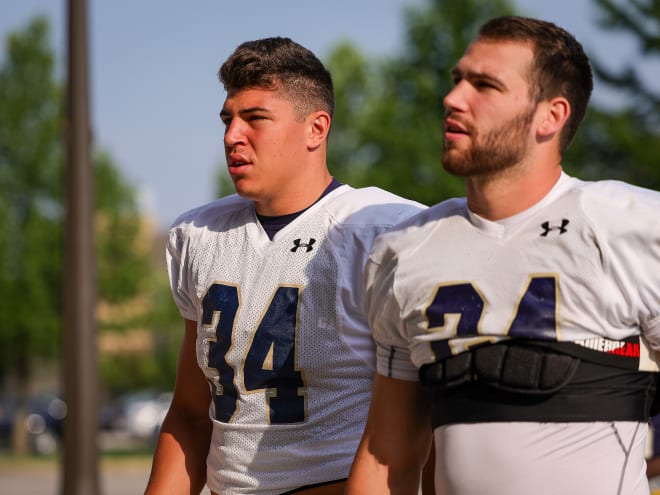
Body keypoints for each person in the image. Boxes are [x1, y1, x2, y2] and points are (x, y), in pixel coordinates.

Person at [346, 15, 660, 495]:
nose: (453, 99)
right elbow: (387, 453)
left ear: (550, 116)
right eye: (457, 80)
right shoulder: (402, 251)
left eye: (485, 85)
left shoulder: (631, 225)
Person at [143, 37, 425, 495]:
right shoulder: (200, 235)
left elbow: (422, 418)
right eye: (228, 119)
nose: (232, 135)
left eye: (255, 118)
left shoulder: (379, 230)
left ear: (316, 129)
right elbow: (193, 413)